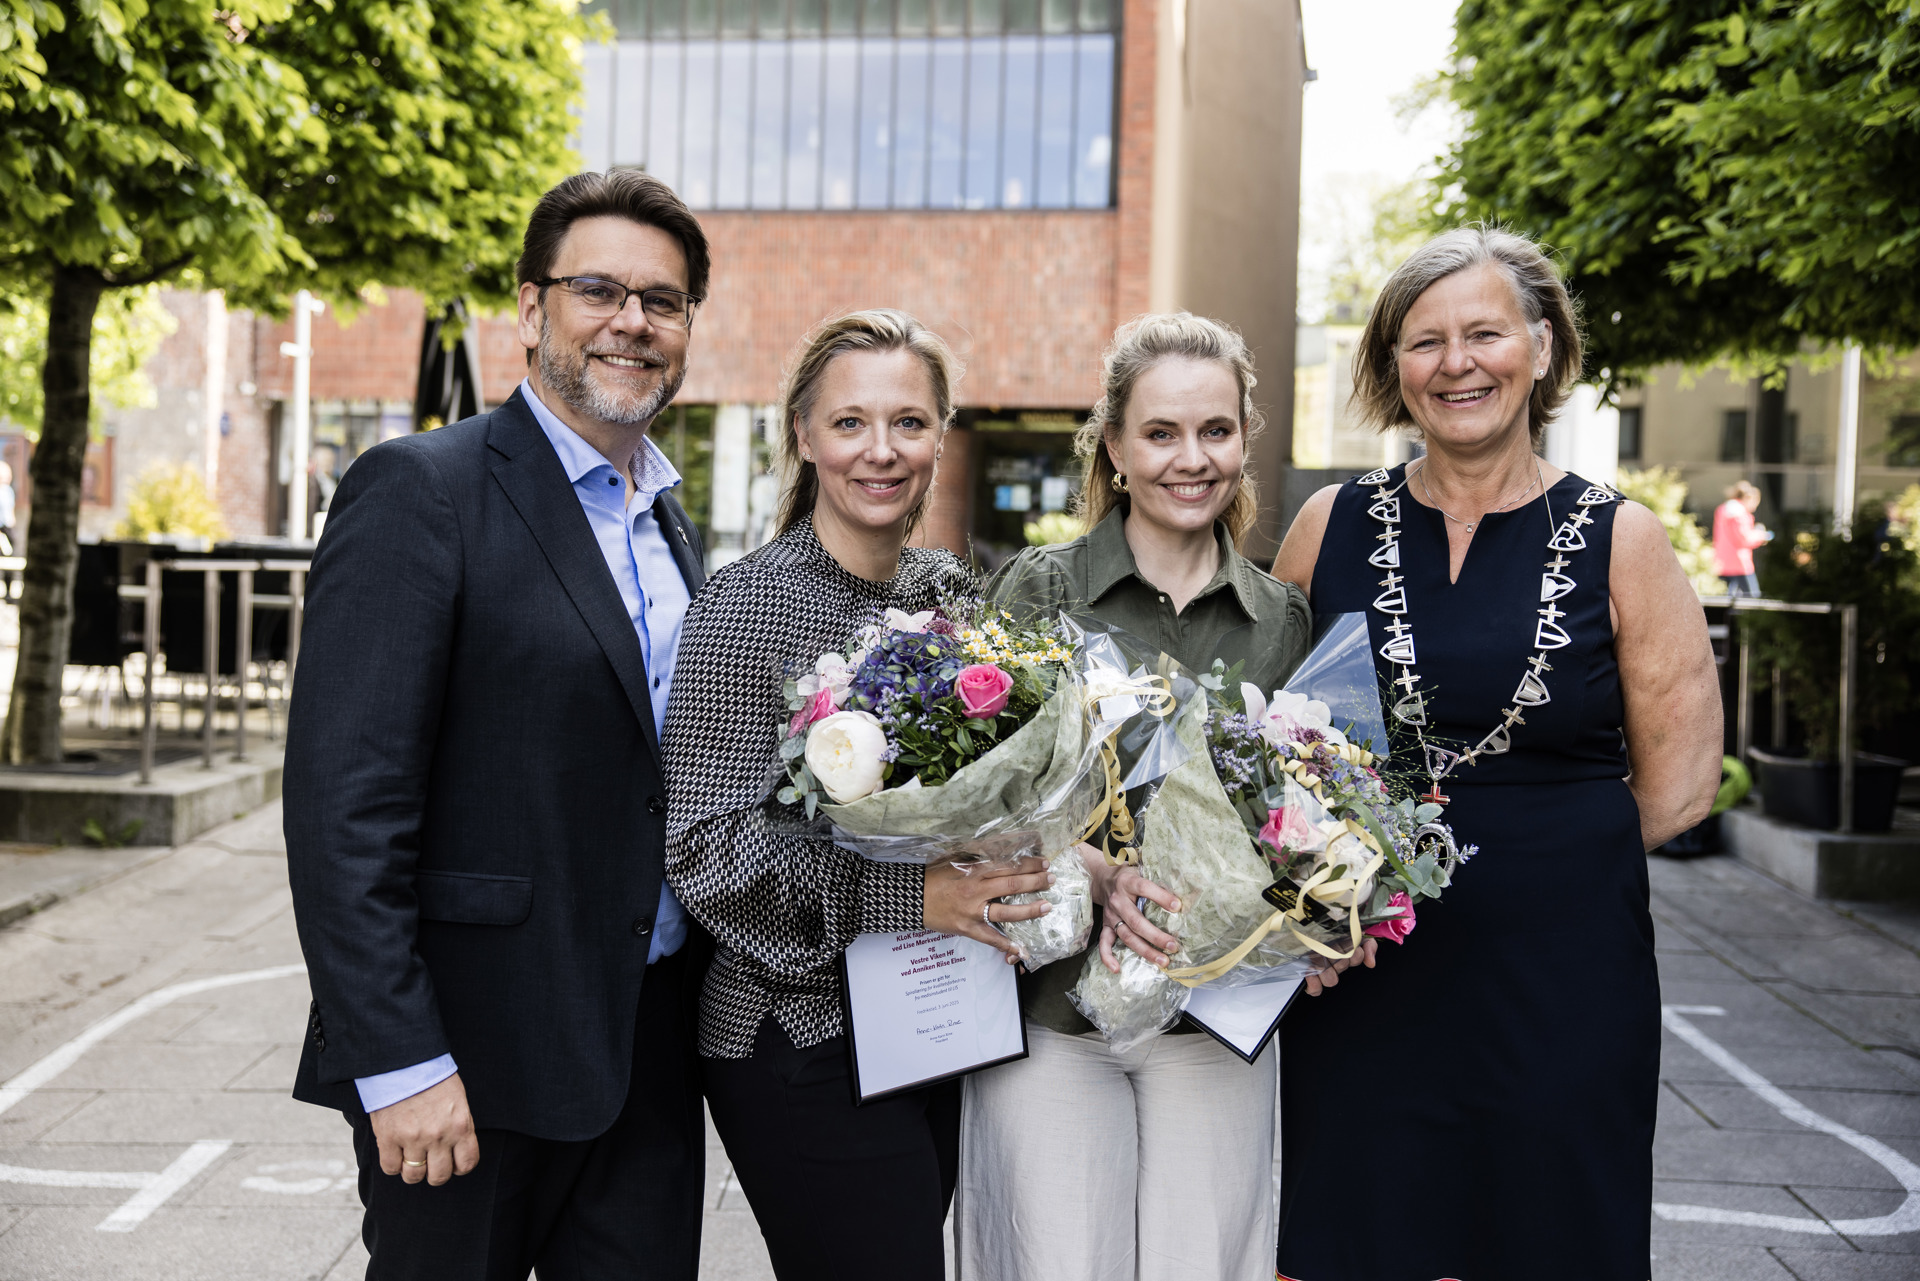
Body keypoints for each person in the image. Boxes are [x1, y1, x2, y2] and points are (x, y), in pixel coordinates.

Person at [1268, 226, 1723, 1281]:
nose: (1456, 363)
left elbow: (1681, 784)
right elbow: (1268, 741)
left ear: (1543, 347)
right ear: (1392, 367)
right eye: (1424, 341)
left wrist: (1539, 860)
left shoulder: (1622, 538)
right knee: (1363, 1234)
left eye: (1485, 333)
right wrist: (1323, 888)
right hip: (1369, 970)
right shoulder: (1329, 525)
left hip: (1564, 975)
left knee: (1550, 1231)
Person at [284, 170, 713, 1280]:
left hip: (645, 1056)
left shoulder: (670, 522)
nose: (632, 321)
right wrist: (399, 1062)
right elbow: (342, 808)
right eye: (598, 290)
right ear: (531, 308)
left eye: (662, 301)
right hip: (468, 1066)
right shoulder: (420, 489)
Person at [662, 310, 1054, 1281]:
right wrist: (911, 896)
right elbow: (703, 850)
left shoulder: (950, 592)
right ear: (804, 434)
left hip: (930, 1016)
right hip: (795, 1035)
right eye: (850, 423)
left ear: (940, 435)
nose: (882, 451)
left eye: (909, 422)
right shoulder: (745, 607)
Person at [959, 313, 1315, 1280]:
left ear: (1243, 440)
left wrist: (1324, 910)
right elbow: (979, 801)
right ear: (1114, 447)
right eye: (1161, 433)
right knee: (1053, 1262)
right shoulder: (1039, 592)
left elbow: (1306, 814)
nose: (1190, 459)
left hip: (1218, 1016)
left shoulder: (1280, 620)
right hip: (1051, 1009)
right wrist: (1093, 869)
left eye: (1215, 431)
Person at [1713, 478, 1770, 596]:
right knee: (1751, 598)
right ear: (1748, 498)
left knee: (1726, 600)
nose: (1754, 508)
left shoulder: (1723, 508)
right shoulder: (1739, 512)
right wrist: (1760, 536)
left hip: (1722, 562)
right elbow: (1743, 538)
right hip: (1739, 563)